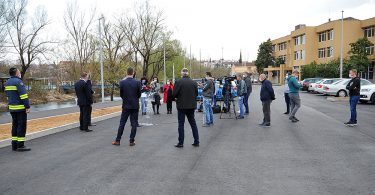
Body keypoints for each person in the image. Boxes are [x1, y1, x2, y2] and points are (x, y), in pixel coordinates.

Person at [112, 67, 141, 146]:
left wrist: (126, 99)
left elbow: (121, 94)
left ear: (126, 72)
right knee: (134, 123)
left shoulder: (122, 82)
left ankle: (118, 140)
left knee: (122, 123)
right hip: (135, 105)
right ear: (133, 73)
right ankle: (131, 141)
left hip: (126, 105)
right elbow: (139, 94)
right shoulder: (138, 82)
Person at [5, 67, 31, 151]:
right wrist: (27, 106)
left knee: (15, 126)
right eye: (19, 72)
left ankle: (14, 145)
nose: (20, 73)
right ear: (16, 73)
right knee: (21, 126)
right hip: (20, 108)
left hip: (12, 108)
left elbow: (8, 96)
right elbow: (23, 95)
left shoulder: (7, 82)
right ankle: (20, 145)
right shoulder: (18, 82)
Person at [172, 68, 199, 148]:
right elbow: (196, 94)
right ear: (188, 73)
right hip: (191, 106)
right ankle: (196, 141)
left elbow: (174, 94)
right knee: (193, 124)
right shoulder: (194, 82)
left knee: (181, 124)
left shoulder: (178, 82)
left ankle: (181, 142)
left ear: (182, 73)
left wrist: (176, 97)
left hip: (181, 106)